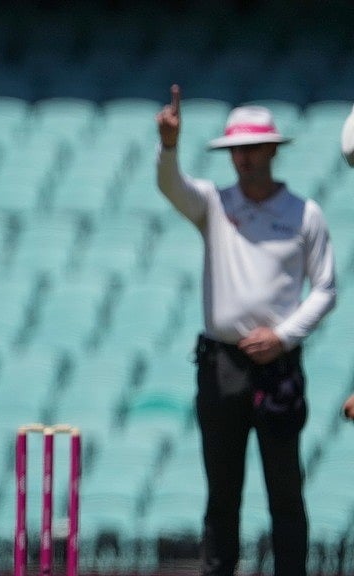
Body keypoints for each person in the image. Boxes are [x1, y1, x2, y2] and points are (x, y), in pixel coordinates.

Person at [156, 85, 337, 576]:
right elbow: (171, 186)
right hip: (222, 363)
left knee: (284, 489)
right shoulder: (214, 204)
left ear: (273, 150)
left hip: (277, 365)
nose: (243, 159)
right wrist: (169, 147)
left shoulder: (305, 213)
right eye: (236, 150)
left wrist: (283, 335)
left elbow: (325, 288)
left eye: (253, 148)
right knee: (222, 491)